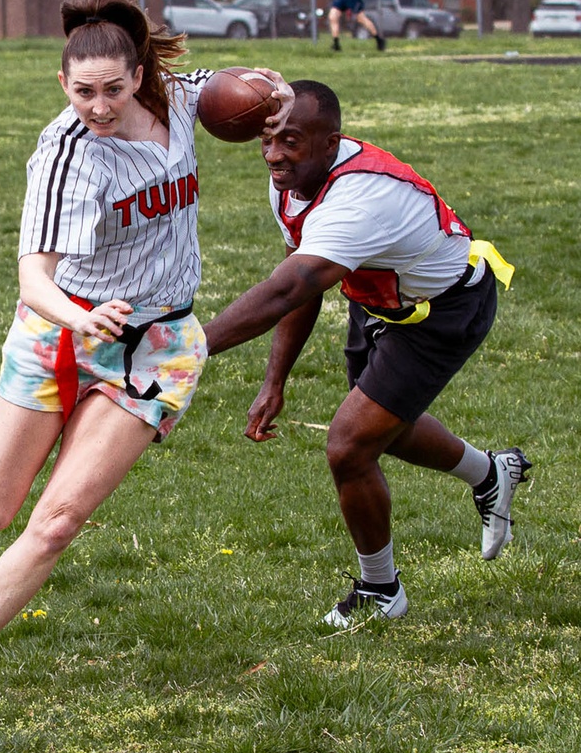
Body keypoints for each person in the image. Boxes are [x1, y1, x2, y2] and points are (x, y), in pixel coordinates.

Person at [0, 0, 291, 708]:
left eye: (114, 88)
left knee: (58, 520)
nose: (101, 106)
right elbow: (33, 277)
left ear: (140, 76)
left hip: (161, 344)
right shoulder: (63, 154)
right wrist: (78, 320)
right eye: (84, 91)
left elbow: (243, 88)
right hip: (63, 330)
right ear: (62, 84)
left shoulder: (175, 99)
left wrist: (275, 90)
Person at [203, 80, 530, 628]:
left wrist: (191, 345)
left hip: (443, 311)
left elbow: (289, 287)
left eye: (291, 141)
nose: (274, 155)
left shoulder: (360, 196)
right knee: (386, 429)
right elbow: (301, 282)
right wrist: (274, 380)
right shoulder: (293, 177)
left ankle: (382, 591)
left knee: (349, 446)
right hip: (379, 304)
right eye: (267, 140)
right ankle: (491, 473)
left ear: (331, 143)